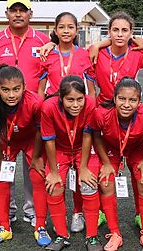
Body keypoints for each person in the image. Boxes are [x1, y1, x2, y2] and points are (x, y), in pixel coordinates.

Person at [0, 0, 51, 226]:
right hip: (6, 115)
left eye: (23, 10)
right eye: (14, 10)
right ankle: (8, 211)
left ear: (30, 14)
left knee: (34, 165)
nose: (19, 14)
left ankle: (31, 210)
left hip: (32, 110)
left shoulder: (42, 40)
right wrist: (6, 97)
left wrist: (38, 98)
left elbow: (46, 72)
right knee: (4, 162)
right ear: (7, 14)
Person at [0, 65, 50, 247]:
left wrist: (36, 158)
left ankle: (41, 226)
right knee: (0, 177)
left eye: (16, 89)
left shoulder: (35, 102)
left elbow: (39, 131)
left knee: (38, 176)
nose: (11, 95)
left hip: (31, 141)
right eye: (5, 90)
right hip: (7, 142)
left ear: (24, 87)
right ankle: (4, 227)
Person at [89, 78, 143, 250]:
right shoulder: (101, 113)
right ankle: (115, 233)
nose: (126, 104)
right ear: (114, 98)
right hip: (111, 147)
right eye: (122, 99)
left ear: (140, 102)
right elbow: (96, 135)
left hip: (137, 147)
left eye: (132, 100)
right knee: (105, 181)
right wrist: (105, 162)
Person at [41, 74, 103, 250]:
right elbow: (49, 141)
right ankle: (61, 235)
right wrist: (53, 173)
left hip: (82, 148)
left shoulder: (90, 104)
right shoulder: (48, 107)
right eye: (70, 100)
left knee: (88, 183)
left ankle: (91, 236)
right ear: (61, 98)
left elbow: (87, 135)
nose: (75, 105)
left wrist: (82, 167)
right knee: (54, 187)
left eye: (79, 99)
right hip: (60, 149)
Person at [85, 12, 143, 104]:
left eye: (124, 30)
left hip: (127, 107)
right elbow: (91, 91)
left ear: (131, 32)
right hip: (103, 106)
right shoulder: (97, 52)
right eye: (115, 30)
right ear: (109, 31)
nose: (120, 34)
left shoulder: (138, 53)